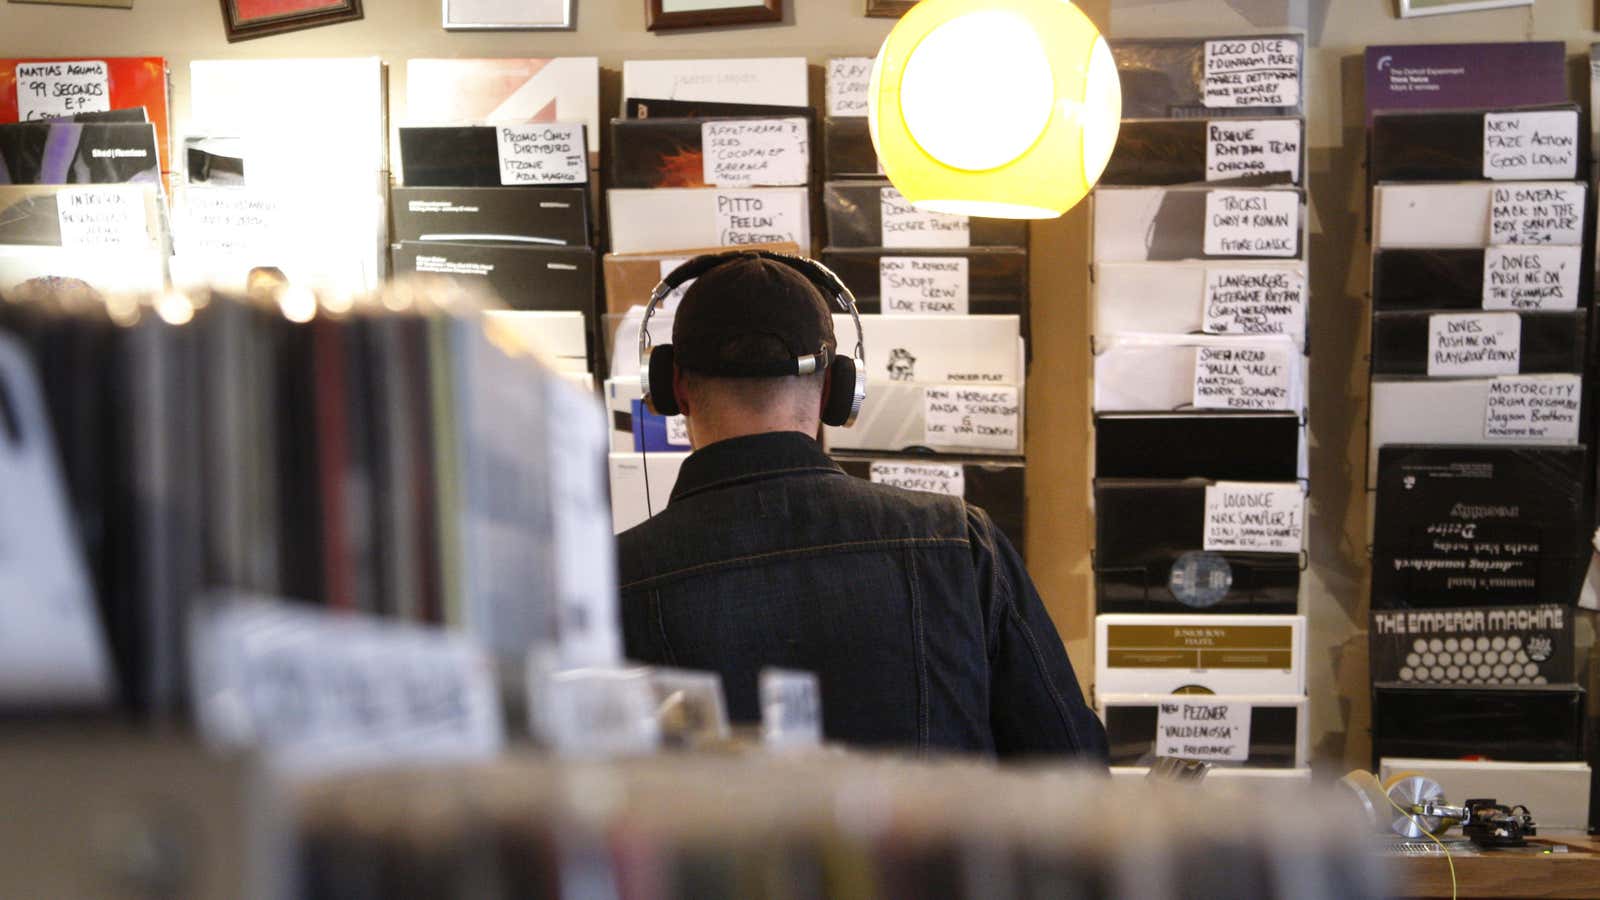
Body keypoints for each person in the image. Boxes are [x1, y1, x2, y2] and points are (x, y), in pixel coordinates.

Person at [616, 252, 1107, 761]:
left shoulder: (611, 577)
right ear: (837, 389)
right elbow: (1073, 767)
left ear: (671, 387)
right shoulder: (958, 541)